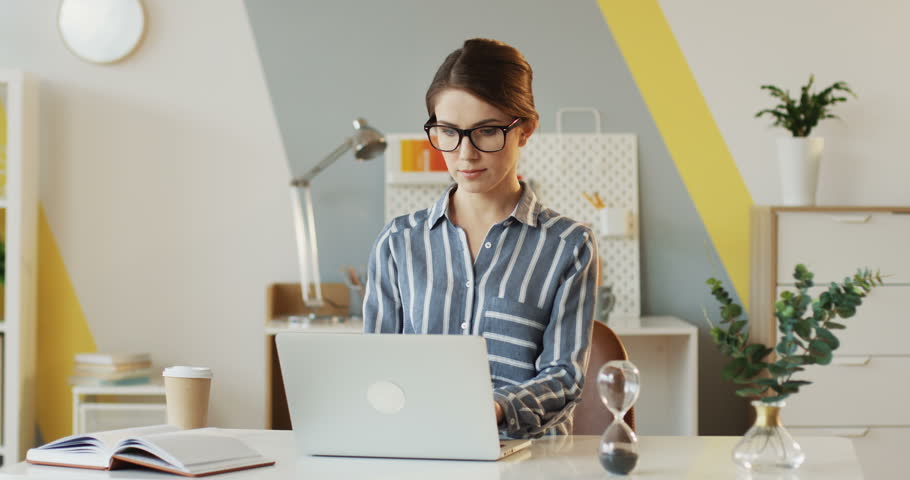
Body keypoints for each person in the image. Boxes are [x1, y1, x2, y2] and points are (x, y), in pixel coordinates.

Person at [363, 38, 598, 439]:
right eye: (448, 132)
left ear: (525, 130)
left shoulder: (569, 245)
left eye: (487, 131)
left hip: (528, 459)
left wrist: (492, 411)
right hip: (422, 450)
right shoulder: (398, 241)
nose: (465, 154)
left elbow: (564, 376)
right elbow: (375, 366)